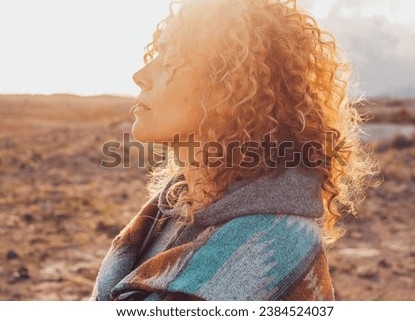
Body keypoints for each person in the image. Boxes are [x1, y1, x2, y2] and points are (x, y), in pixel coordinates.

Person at [90, 0, 376, 301]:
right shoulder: (168, 213)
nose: (141, 75)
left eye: (171, 59)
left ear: (226, 85)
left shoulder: (277, 248)